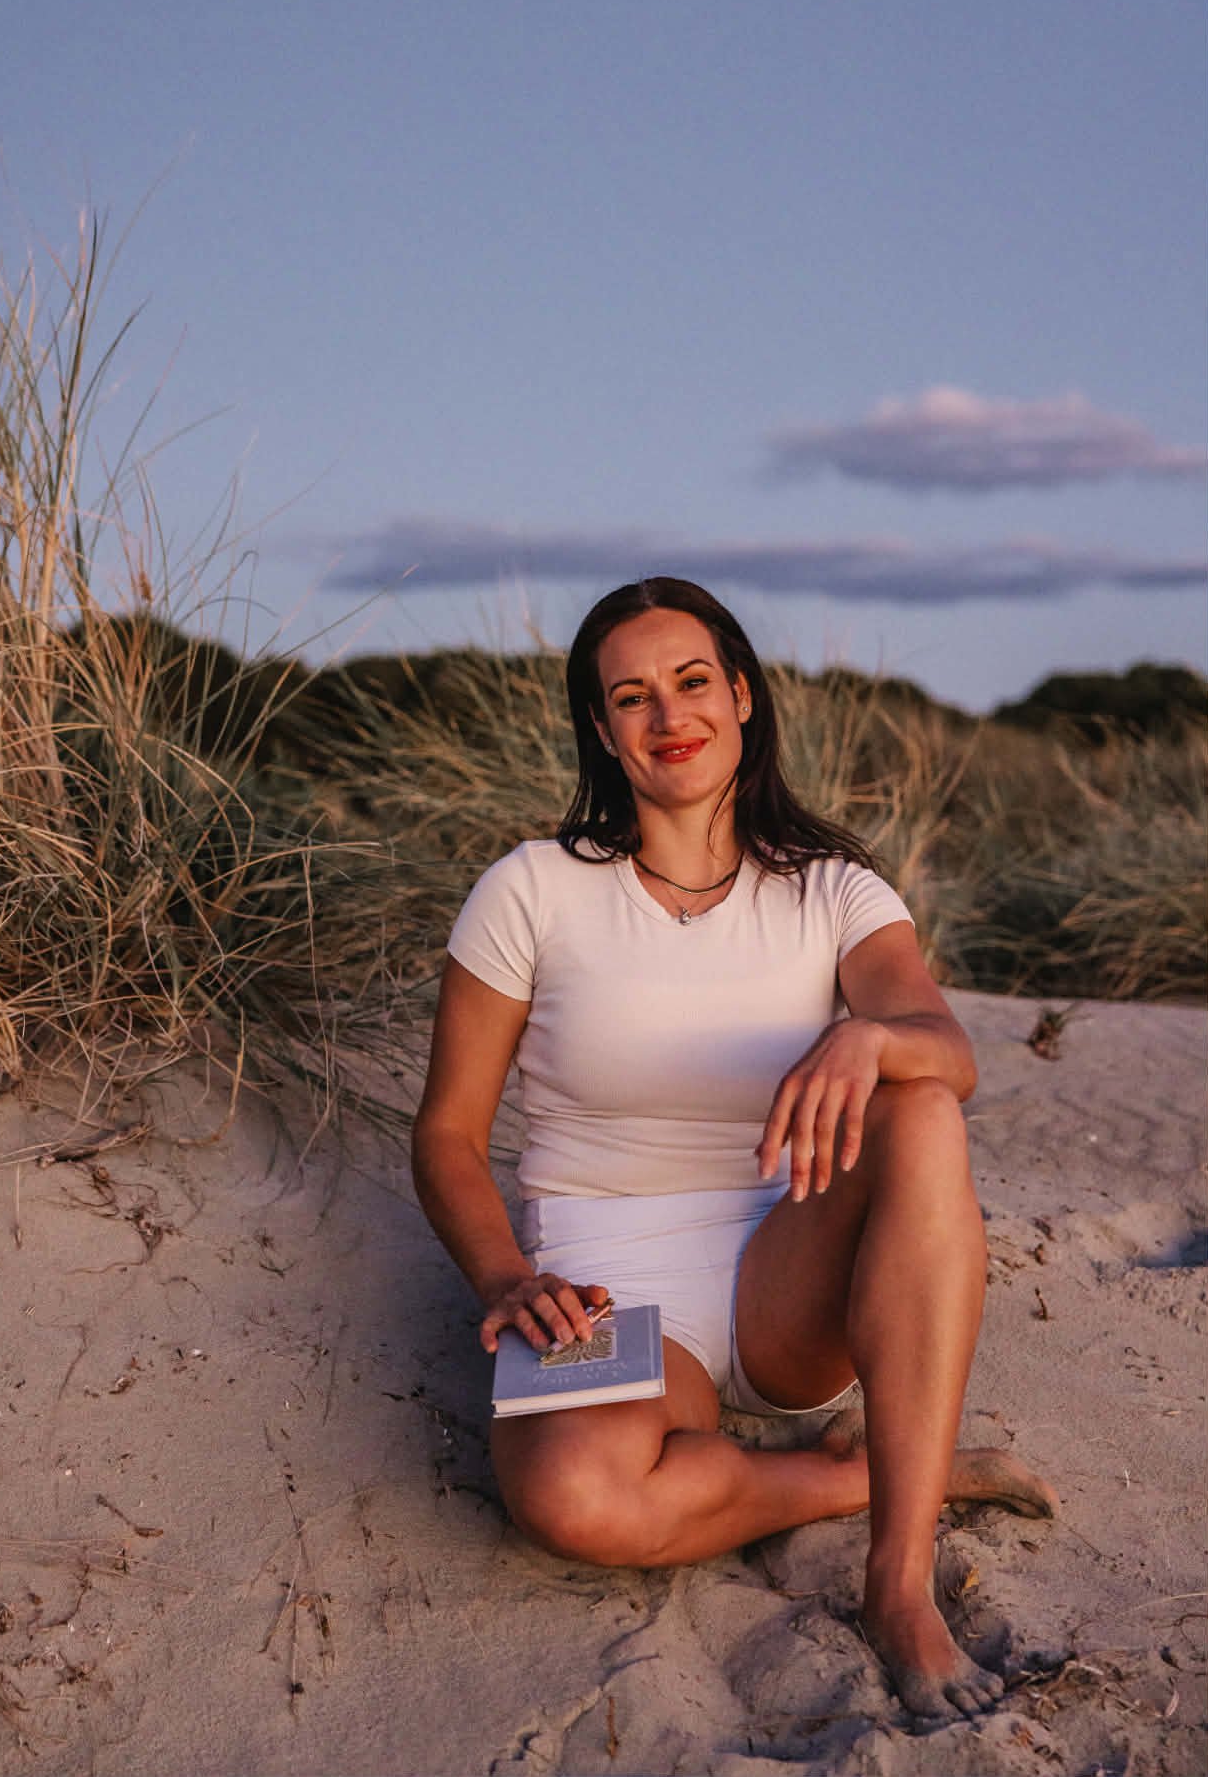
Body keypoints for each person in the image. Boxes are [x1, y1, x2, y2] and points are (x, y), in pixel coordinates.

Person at [413, 576, 1055, 1725]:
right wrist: (508, 1278)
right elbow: (449, 1133)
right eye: (633, 697)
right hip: (607, 1292)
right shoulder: (532, 892)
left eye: (693, 680)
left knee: (918, 1105)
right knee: (571, 1499)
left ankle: (899, 1580)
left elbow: (948, 1053)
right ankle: (870, 1470)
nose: (670, 714)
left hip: (785, 1276)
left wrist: (871, 1042)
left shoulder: (832, 892)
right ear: (604, 734)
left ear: (743, 697)